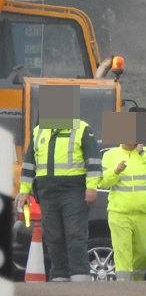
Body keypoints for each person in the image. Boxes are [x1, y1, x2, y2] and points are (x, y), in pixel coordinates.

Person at [15, 115, 102, 281]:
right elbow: (29, 164)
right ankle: (59, 276)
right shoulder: (38, 131)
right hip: (47, 193)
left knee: (75, 235)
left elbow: (93, 160)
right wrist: (25, 191)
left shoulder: (81, 128)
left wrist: (91, 187)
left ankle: (80, 276)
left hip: (73, 191)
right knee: (53, 237)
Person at [99, 138, 146, 281]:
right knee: (123, 252)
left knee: (145, 252)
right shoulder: (110, 155)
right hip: (119, 213)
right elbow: (102, 182)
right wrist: (116, 171)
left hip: (145, 213)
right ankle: (123, 285)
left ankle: (136, 282)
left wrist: (142, 152)